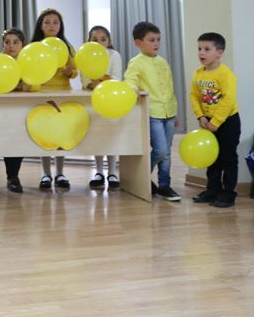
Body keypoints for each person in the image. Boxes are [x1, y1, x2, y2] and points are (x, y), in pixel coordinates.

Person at [124, 21, 180, 202]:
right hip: (152, 113)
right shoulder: (136, 63)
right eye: (152, 40)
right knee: (161, 150)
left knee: (167, 152)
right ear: (138, 43)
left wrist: (174, 111)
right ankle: (140, 178)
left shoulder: (163, 62)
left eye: (158, 39)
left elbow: (169, 88)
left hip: (169, 112)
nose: (156, 43)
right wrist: (132, 89)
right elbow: (130, 81)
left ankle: (164, 186)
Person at [190, 32, 240, 208]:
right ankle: (212, 190)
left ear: (219, 52)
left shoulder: (225, 74)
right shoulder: (199, 73)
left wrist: (216, 122)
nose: (201, 53)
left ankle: (228, 193)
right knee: (211, 158)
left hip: (227, 122)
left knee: (228, 158)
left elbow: (228, 100)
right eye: (199, 49)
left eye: (206, 49)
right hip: (208, 121)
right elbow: (194, 96)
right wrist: (201, 116)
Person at [31, 9, 77, 190]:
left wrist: (69, 72)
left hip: (63, 93)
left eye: (55, 22)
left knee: (61, 134)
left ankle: (60, 173)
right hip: (41, 93)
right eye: (47, 22)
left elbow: (75, 71)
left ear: (60, 26)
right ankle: (45, 174)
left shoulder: (67, 46)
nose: (51, 26)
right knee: (44, 135)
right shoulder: (35, 46)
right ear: (40, 26)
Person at [81, 26, 124, 190]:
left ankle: (112, 172)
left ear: (109, 41)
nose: (99, 42)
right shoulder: (85, 56)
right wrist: (92, 84)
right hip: (92, 100)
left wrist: (101, 83)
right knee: (97, 136)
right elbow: (85, 79)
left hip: (111, 99)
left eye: (103, 39)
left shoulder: (114, 56)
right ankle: (99, 172)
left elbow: (116, 78)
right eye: (94, 39)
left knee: (111, 135)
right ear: (89, 41)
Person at [0, 28, 31, 192]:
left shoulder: (29, 62)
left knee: (16, 142)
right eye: (7, 42)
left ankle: (13, 177)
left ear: (22, 45)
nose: (11, 46)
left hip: (21, 109)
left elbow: (34, 85)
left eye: (15, 42)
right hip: (0, 110)